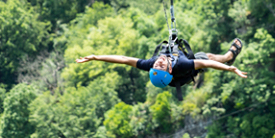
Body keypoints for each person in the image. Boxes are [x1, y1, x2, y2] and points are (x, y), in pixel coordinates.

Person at [76, 38, 247, 88]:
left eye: (156, 64)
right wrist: (229, 68)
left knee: (204, 56)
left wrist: (96, 57)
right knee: (205, 57)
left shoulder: (150, 64)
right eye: (160, 65)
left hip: (175, 67)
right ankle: (228, 57)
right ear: (170, 68)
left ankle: (227, 59)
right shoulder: (182, 65)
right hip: (187, 71)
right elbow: (209, 64)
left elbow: (123, 59)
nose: (158, 61)